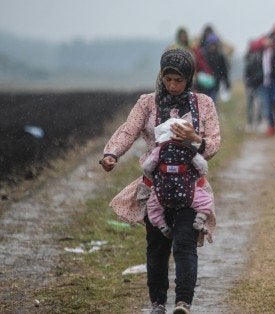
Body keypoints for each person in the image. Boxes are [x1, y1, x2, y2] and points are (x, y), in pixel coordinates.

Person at [100, 48, 221, 313]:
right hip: (155, 188)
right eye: (168, 79)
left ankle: (183, 304)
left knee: (185, 246)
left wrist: (194, 138)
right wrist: (111, 154)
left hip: (191, 187)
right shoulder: (147, 103)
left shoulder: (204, 104)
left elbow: (213, 145)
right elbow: (128, 129)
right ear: (161, 77)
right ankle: (157, 304)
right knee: (156, 248)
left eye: (179, 80)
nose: (173, 85)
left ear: (189, 78)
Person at [142, 117, 216, 246]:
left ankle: (162, 226)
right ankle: (199, 220)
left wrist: (154, 179)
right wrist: (195, 176)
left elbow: (147, 167)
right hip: (187, 191)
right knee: (206, 200)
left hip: (162, 191)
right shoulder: (190, 150)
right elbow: (202, 167)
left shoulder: (159, 151)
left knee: (153, 207)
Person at [243, 38, 265, 133]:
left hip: (257, 84)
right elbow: (247, 73)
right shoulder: (253, 58)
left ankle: (255, 123)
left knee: (256, 104)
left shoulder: (253, 57)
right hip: (254, 84)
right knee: (253, 104)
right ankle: (252, 123)